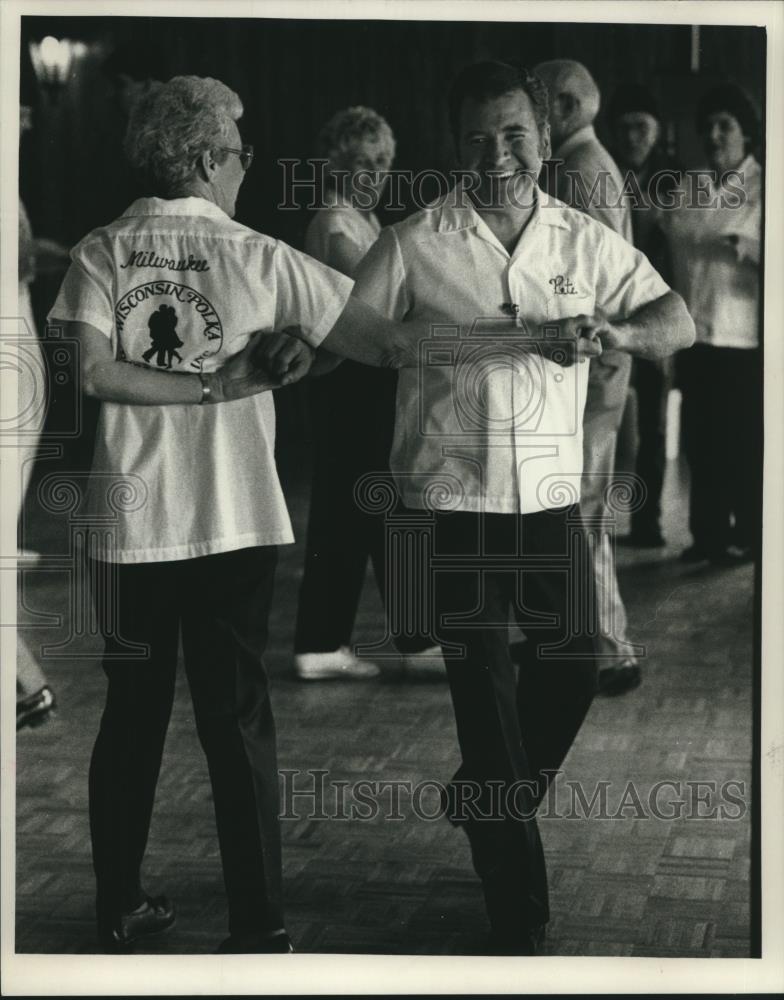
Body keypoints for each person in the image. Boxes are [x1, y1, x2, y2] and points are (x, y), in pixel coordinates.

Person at [45, 75, 442, 956]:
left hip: (130, 529)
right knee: (237, 722)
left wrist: (293, 353)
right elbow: (380, 343)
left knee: (131, 717)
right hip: (233, 523)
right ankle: (259, 923)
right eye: (238, 148)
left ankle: (118, 907)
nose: (245, 164)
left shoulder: (100, 250)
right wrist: (237, 376)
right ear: (202, 159)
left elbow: (94, 371)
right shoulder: (262, 257)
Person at [352, 60, 694, 955]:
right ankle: (518, 907)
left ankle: (482, 801)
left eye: (513, 134)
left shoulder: (583, 240)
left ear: (544, 136)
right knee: (486, 699)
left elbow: (679, 319)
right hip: (447, 499)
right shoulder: (415, 239)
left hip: (546, 499)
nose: (496, 153)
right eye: (476, 136)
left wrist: (618, 331)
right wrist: (501, 341)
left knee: (576, 668)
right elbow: (370, 338)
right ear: (454, 142)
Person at [294, 106, 444, 681]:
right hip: (351, 383)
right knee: (371, 511)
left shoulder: (360, 216)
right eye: (362, 162)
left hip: (359, 383)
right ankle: (378, 640)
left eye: (383, 161)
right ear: (335, 163)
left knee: (362, 513)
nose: (375, 172)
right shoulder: (336, 222)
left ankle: (338, 641)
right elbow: (363, 312)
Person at [534, 59, 641, 697]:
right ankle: (589, 644)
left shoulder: (580, 171)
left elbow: (586, 286)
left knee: (580, 512)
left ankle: (607, 653)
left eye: (534, 109)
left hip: (591, 370)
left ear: (566, 107)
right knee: (578, 510)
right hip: (596, 368)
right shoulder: (587, 164)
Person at [657, 83, 762, 565]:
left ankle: (752, 534)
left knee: (740, 440)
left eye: (726, 125)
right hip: (695, 333)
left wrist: (747, 248)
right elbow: (671, 238)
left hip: (743, 337)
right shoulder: (691, 186)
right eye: (709, 127)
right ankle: (708, 535)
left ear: (747, 132)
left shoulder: (765, 185)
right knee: (700, 440)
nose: (715, 135)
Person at [609, 85, 680, 549]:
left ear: (656, 132)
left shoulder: (674, 180)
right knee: (602, 419)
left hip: (654, 312)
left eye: (643, 127)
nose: (634, 136)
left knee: (652, 427)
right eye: (627, 128)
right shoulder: (604, 173)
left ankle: (648, 522)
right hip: (609, 313)